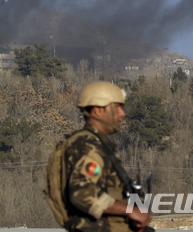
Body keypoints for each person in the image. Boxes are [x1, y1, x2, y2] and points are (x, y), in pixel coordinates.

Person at [64, 81, 152, 232]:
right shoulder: (90, 148)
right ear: (98, 111)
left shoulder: (101, 147)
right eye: (117, 108)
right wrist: (130, 211)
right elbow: (82, 193)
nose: (122, 113)